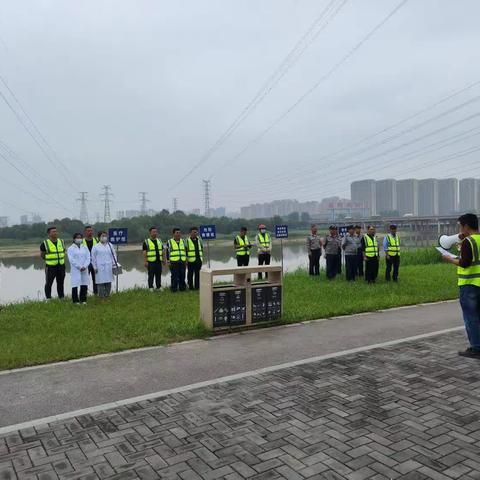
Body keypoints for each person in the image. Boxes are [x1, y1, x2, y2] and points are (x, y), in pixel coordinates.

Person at [442, 213, 480, 358]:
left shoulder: (468, 242)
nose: (459, 229)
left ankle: (476, 348)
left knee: (471, 317)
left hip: (469, 284)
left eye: (460, 226)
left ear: (466, 226)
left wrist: (450, 259)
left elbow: (465, 263)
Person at [40, 226, 66, 300]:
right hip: (50, 267)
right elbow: (42, 255)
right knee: (49, 283)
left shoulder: (62, 241)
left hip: (61, 266)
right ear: (49, 234)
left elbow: (63, 251)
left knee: (60, 282)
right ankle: (48, 298)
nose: (55, 233)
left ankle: (61, 297)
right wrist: (50, 260)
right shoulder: (45, 243)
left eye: (56, 231)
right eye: (53, 232)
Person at [91, 231, 117, 299]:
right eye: (102, 236)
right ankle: (102, 297)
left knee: (108, 282)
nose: (104, 237)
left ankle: (107, 296)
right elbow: (93, 258)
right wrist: (95, 267)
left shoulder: (110, 245)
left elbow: (114, 255)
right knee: (101, 283)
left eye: (105, 236)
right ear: (99, 237)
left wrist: (114, 264)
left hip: (109, 266)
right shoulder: (95, 247)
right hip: (99, 267)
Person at [67, 233, 90, 304]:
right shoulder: (70, 248)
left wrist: (85, 266)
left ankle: (83, 300)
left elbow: (88, 257)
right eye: (77, 237)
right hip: (76, 269)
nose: (79, 239)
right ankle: (75, 300)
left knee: (84, 284)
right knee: (75, 284)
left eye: (80, 237)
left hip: (84, 268)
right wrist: (79, 267)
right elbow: (71, 259)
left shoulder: (85, 247)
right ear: (74, 239)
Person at [142, 226, 164, 291]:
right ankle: (151, 287)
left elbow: (163, 251)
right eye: (153, 232)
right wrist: (145, 261)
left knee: (158, 274)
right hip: (151, 262)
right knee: (151, 275)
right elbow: (144, 252)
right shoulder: (146, 242)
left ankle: (158, 286)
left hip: (158, 261)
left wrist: (164, 260)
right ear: (150, 233)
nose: (155, 233)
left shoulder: (159, 241)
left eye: (156, 232)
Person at [167, 228, 187, 292]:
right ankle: (174, 289)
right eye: (177, 233)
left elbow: (185, 251)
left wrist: (186, 260)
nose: (178, 234)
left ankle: (182, 288)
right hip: (173, 262)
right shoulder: (170, 241)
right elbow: (167, 252)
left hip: (182, 261)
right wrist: (168, 261)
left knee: (182, 275)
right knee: (174, 276)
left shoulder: (183, 241)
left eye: (179, 233)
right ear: (173, 234)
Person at [82, 225, 98, 295]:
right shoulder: (81, 241)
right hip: (85, 263)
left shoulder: (97, 240)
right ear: (85, 232)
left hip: (95, 262)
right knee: (85, 279)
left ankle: (96, 293)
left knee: (96, 279)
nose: (90, 232)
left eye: (91, 231)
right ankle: (84, 293)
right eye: (88, 231)